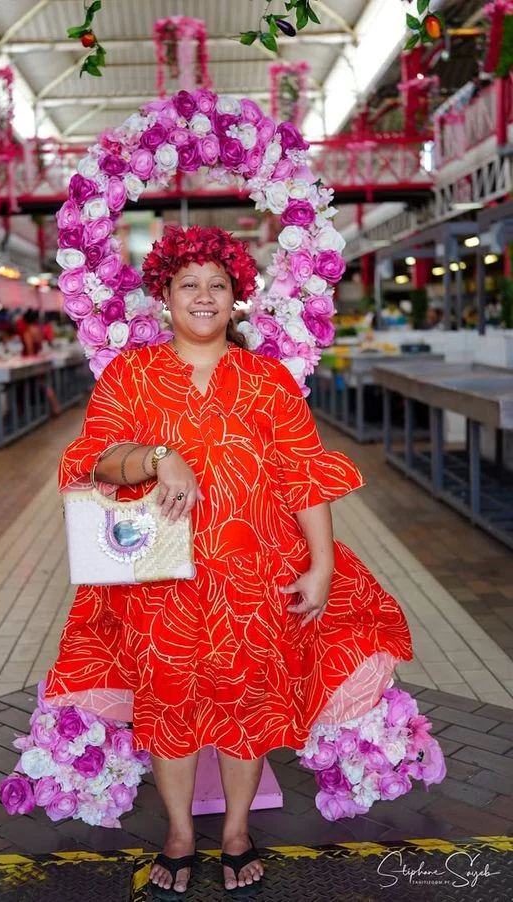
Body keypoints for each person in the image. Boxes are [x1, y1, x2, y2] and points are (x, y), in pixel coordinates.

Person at [45, 227, 412, 898]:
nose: (204, 296)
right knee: (170, 708)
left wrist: (323, 565)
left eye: (218, 284)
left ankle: (237, 830)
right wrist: (159, 456)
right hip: (160, 582)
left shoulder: (268, 379)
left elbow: (303, 476)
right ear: (164, 295)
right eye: (189, 284)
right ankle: (182, 833)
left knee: (248, 706)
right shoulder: (131, 373)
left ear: (237, 296)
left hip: (255, 580)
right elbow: (92, 457)